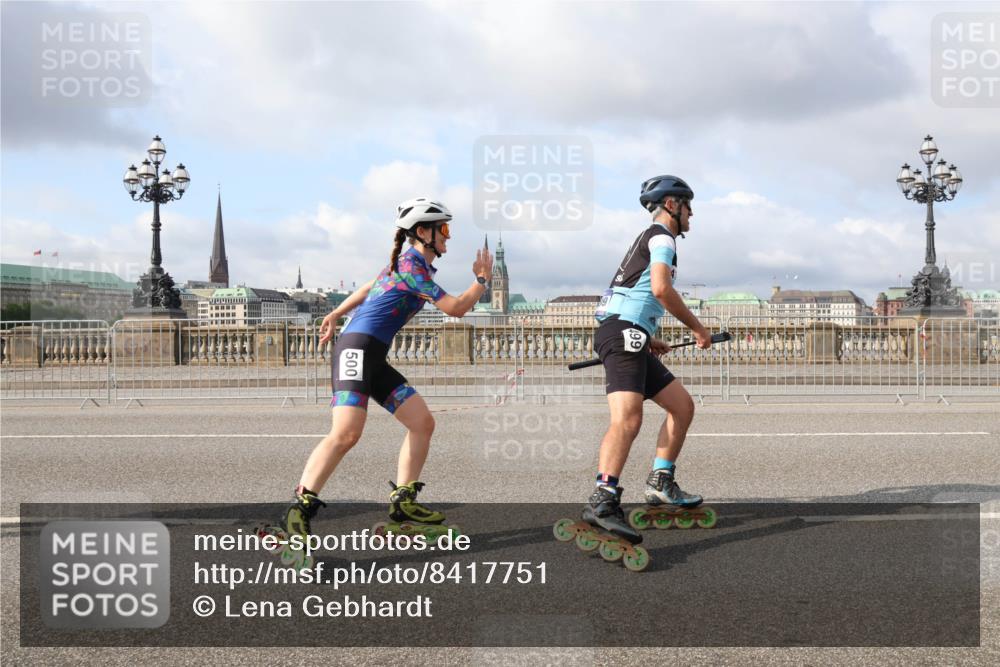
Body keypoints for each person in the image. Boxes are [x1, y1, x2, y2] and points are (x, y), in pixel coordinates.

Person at [283, 197, 493, 544]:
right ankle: (298, 510)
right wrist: (482, 280)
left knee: (422, 423)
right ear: (423, 232)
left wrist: (335, 313)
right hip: (356, 349)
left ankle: (403, 503)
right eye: (444, 228)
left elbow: (370, 287)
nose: (448, 236)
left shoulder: (407, 264)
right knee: (346, 434)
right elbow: (456, 308)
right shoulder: (412, 269)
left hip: (373, 355)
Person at [587, 175, 712, 543]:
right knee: (627, 418)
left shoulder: (651, 238)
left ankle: (661, 481)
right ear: (672, 205)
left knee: (682, 406)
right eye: (688, 206)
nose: (691, 214)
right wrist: (698, 328)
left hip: (630, 333)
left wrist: (647, 336)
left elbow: (633, 290)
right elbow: (660, 288)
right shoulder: (662, 237)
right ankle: (603, 499)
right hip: (623, 333)